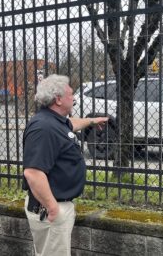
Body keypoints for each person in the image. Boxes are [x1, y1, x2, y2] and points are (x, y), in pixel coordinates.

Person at [22, 74, 108, 256]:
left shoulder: (55, 121)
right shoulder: (43, 128)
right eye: (70, 94)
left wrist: (93, 121)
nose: (74, 97)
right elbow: (33, 173)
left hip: (56, 206)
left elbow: (72, 124)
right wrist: (53, 208)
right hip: (50, 209)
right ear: (58, 99)